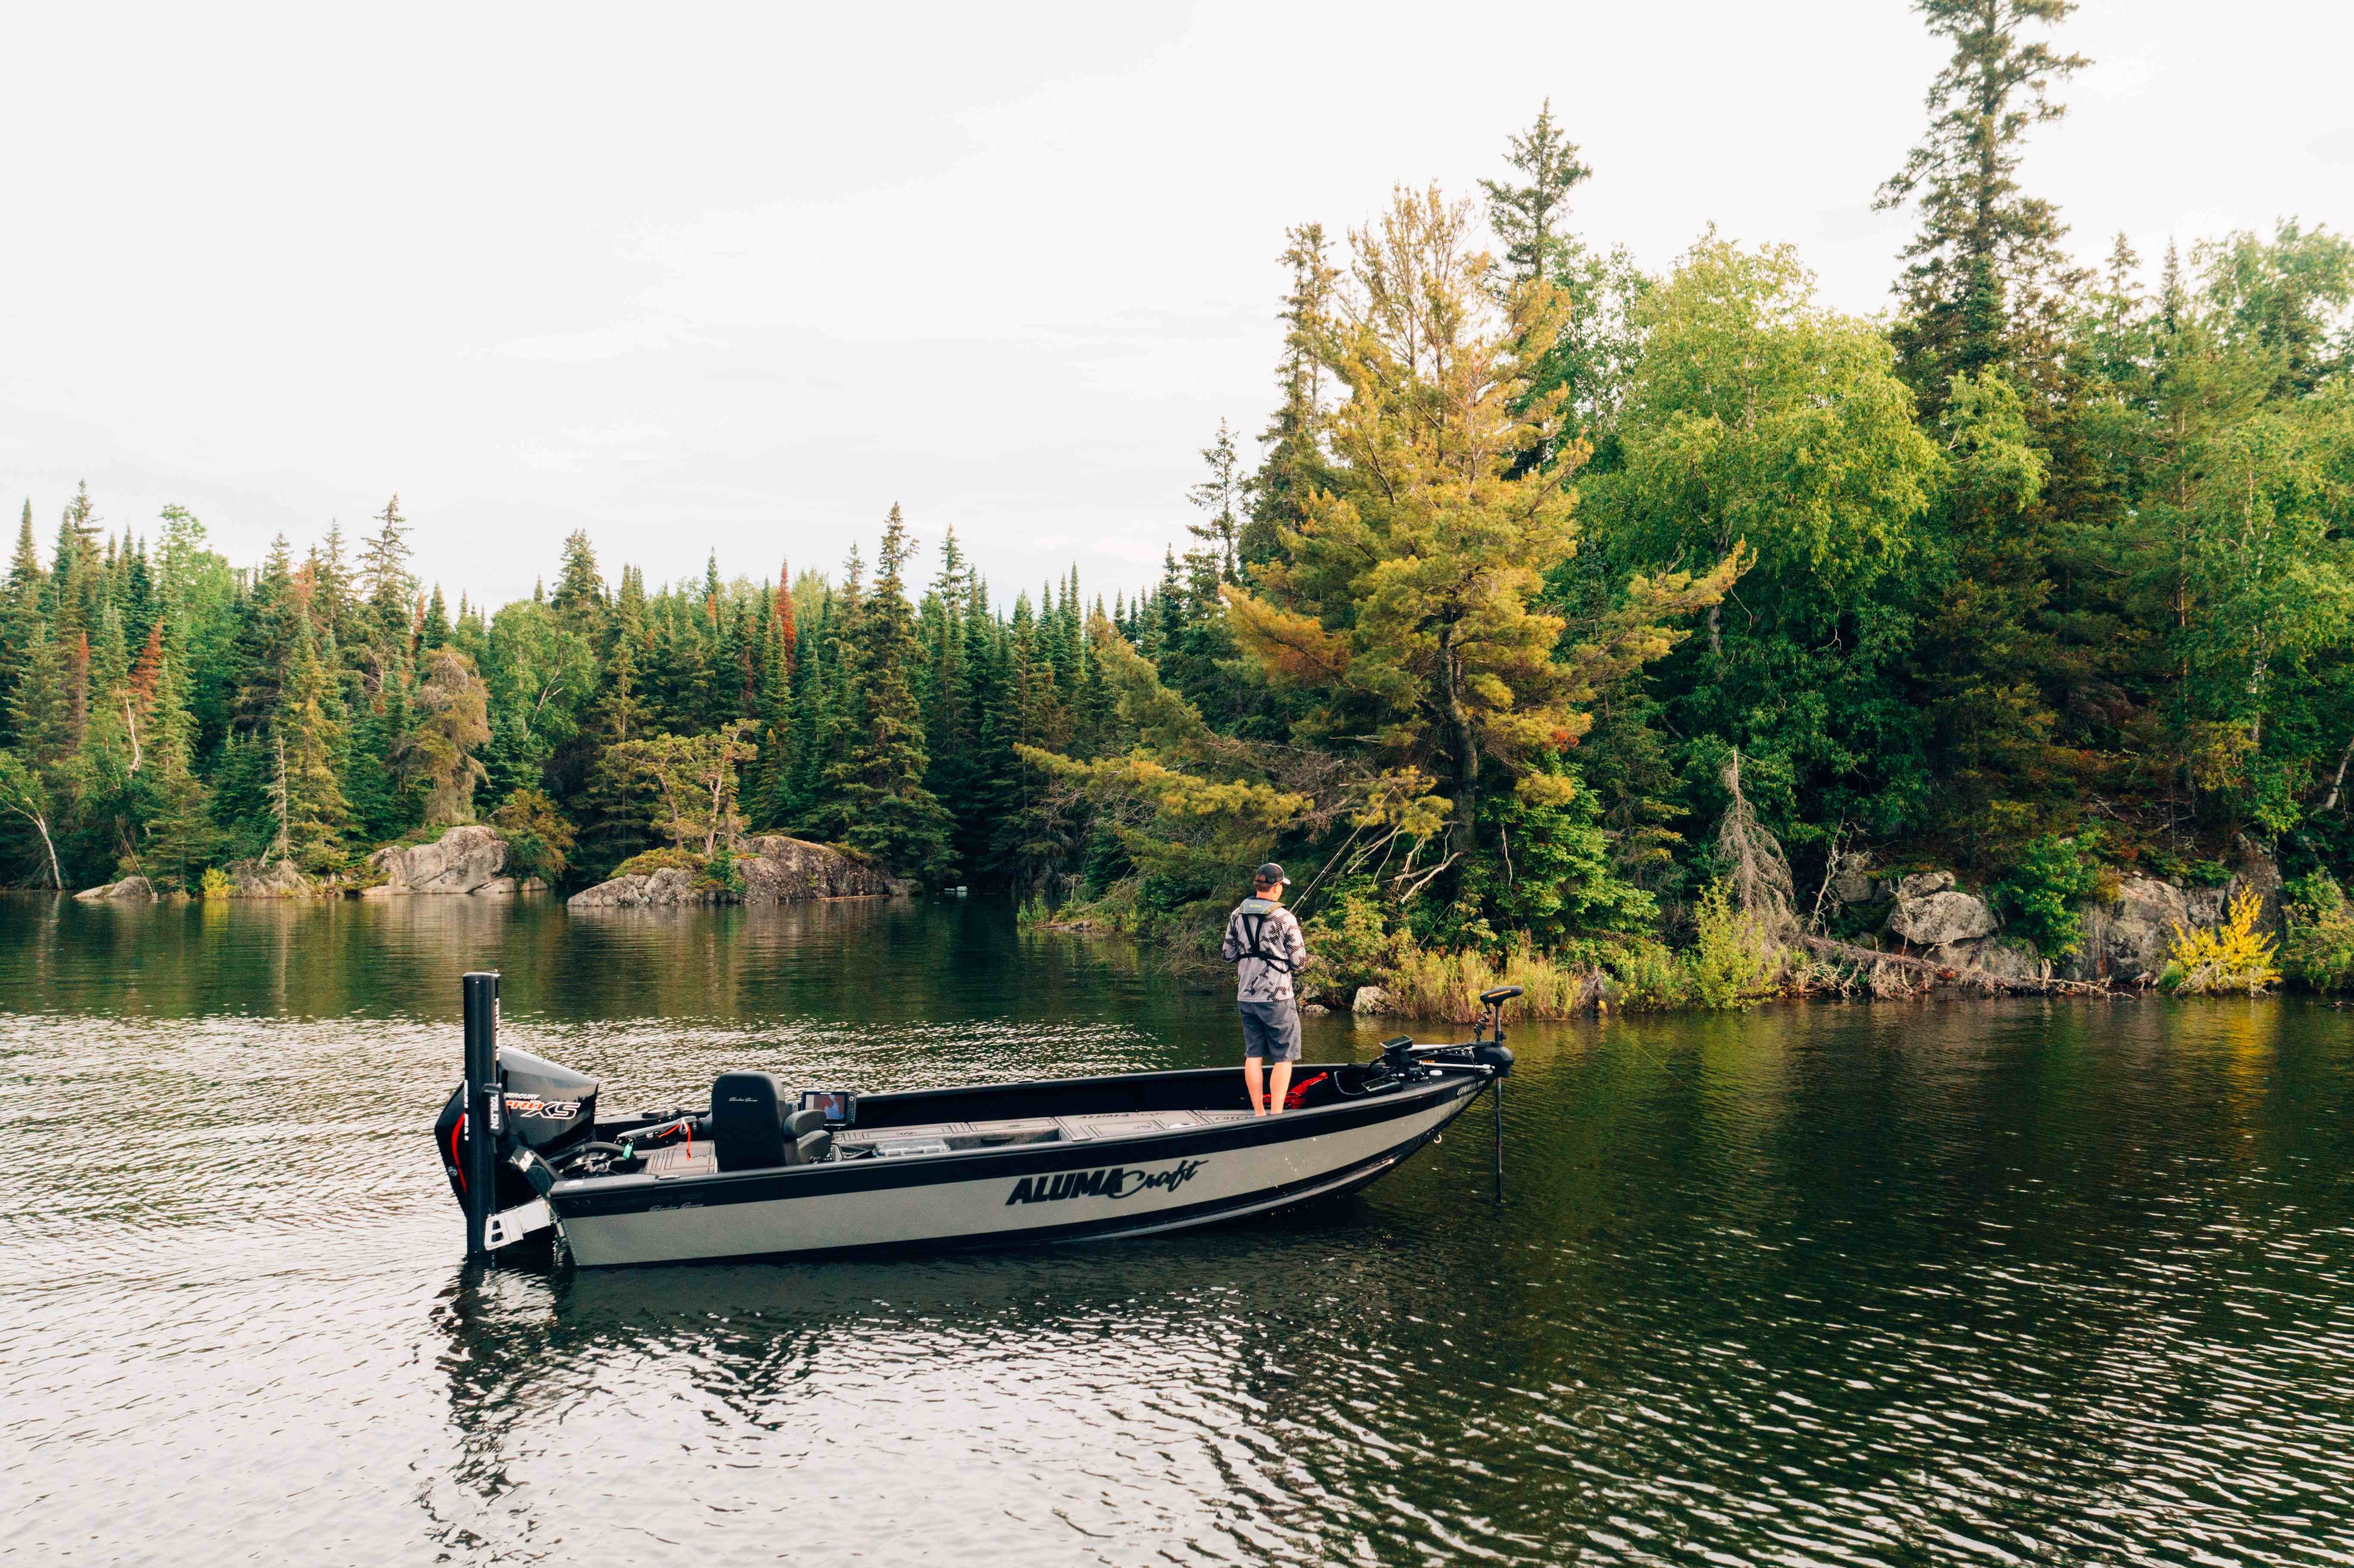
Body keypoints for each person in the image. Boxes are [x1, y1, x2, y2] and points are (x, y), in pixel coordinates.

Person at [1221, 862, 1310, 1115]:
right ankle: (1277, 1114)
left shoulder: (1237, 915)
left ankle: (1259, 1112)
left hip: (1246, 997)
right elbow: (1299, 963)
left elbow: (1228, 954)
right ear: (1277, 887)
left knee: (1254, 1055)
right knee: (1284, 1057)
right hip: (1278, 998)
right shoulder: (1285, 918)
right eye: (1281, 886)